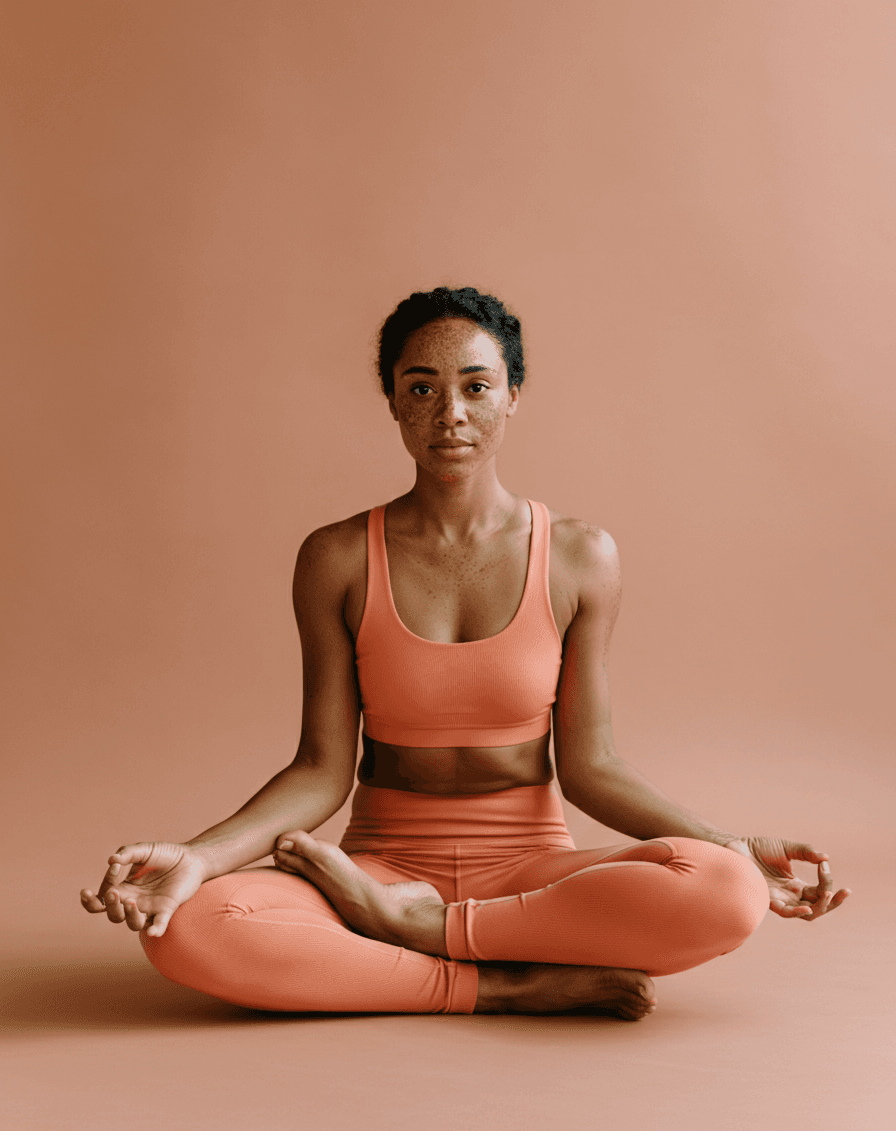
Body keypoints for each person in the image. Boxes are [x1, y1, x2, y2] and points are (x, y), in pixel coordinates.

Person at [79, 286, 850, 1020]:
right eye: (420, 388)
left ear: (514, 393)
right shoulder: (338, 557)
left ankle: (421, 936)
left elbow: (591, 767)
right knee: (187, 925)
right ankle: (505, 988)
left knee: (726, 889)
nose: (449, 413)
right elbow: (320, 769)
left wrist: (732, 847)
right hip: (377, 867)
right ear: (391, 401)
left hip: (529, 870)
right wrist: (199, 858)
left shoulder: (581, 556)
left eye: (477, 387)